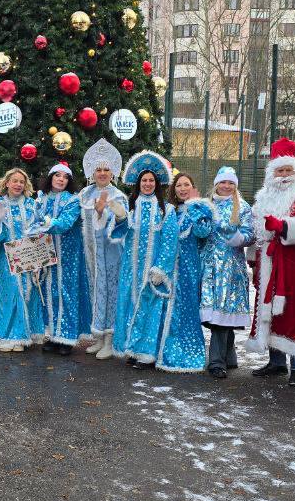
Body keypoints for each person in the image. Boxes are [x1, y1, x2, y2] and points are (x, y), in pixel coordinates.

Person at [249, 138, 295, 386]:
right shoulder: (264, 197)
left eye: (287, 170)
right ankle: (276, 361)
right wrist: (255, 259)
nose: (283, 176)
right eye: (279, 171)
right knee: (271, 311)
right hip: (269, 261)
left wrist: (283, 226)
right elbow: (257, 230)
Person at [107, 150, 172, 365]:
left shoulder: (166, 210)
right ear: (138, 182)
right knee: (130, 305)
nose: (147, 184)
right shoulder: (130, 206)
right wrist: (119, 218)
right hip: (130, 269)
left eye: (151, 180)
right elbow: (120, 233)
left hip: (152, 270)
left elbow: (170, 242)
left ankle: (147, 353)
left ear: (157, 183)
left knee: (150, 309)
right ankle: (131, 348)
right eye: (144, 180)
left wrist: (161, 269)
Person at [154, 172, 214, 373]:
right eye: (178, 185)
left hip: (189, 269)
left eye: (186, 185)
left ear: (192, 187)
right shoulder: (168, 210)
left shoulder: (200, 208)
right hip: (169, 268)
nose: (182, 189)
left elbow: (203, 232)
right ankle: (162, 352)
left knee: (187, 310)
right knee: (165, 309)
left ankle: (187, 353)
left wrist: (195, 207)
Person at [200, 167, 254, 379]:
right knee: (216, 314)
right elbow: (201, 234)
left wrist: (237, 235)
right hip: (209, 267)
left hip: (231, 269)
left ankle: (216, 362)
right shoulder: (207, 206)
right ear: (216, 184)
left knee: (222, 314)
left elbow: (251, 235)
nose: (227, 186)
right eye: (223, 182)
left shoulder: (243, 207)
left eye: (231, 183)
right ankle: (229, 356)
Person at [0, 168, 44, 352]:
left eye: (21, 182)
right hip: (8, 259)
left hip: (28, 257)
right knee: (10, 293)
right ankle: (7, 335)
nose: (18, 184)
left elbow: (39, 230)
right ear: (7, 183)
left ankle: (22, 335)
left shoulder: (31, 205)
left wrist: (38, 258)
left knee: (27, 293)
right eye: (15, 181)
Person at [79, 139, 128, 359]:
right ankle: (98, 337)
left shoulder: (118, 196)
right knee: (94, 292)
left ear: (112, 172)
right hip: (90, 254)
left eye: (106, 169)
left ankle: (110, 339)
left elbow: (122, 225)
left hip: (110, 255)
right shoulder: (84, 194)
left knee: (109, 293)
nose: (102, 173)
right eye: (98, 169)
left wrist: (104, 213)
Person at [33, 163, 88, 355]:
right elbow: (33, 222)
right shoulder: (41, 198)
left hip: (67, 256)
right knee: (49, 295)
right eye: (57, 175)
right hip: (45, 255)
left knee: (66, 294)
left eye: (65, 177)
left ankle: (67, 338)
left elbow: (64, 224)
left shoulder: (73, 201)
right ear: (51, 178)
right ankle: (53, 336)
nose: (61, 179)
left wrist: (45, 222)